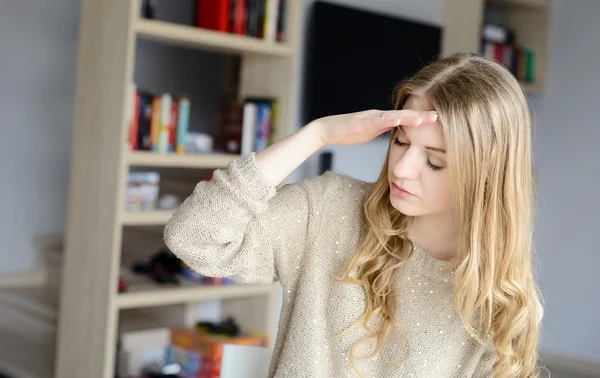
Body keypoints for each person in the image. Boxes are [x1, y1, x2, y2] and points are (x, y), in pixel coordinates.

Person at [164, 53, 544, 378]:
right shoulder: (329, 209)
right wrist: (316, 135)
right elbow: (194, 237)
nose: (403, 168)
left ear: (485, 177)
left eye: (434, 161)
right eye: (400, 141)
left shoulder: (497, 303)